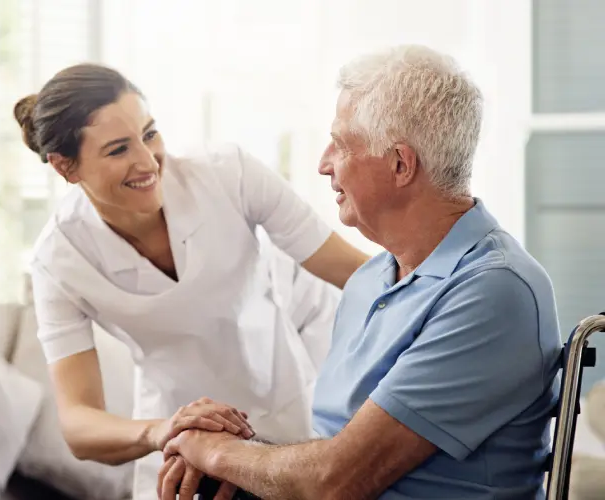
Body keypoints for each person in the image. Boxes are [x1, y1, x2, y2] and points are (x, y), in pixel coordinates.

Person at [159, 44, 563, 500]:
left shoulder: (495, 290)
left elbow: (336, 480)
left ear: (399, 164)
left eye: (342, 144)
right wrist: (230, 456)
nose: (324, 163)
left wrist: (214, 451)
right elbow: (334, 454)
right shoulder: (369, 280)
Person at [14, 63, 370, 500]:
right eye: (117, 150)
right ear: (65, 167)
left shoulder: (227, 173)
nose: (147, 162)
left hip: (287, 409)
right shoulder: (58, 259)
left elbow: (356, 273)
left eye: (149, 134)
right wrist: (164, 430)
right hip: (180, 446)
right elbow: (79, 424)